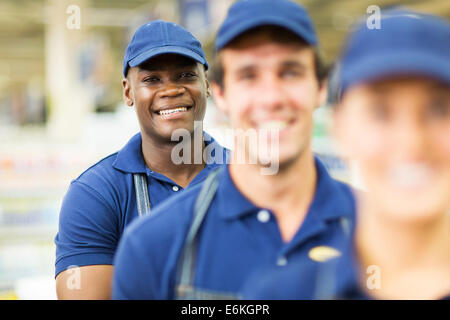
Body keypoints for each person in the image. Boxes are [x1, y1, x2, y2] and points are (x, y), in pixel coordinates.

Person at [112, 0, 356, 300]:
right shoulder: (153, 248)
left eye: (290, 72)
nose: (271, 98)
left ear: (321, 86)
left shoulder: (389, 231)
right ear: (221, 94)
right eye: (248, 76)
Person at [242, 9, 450, 300]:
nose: (411, 142)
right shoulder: (279, 294)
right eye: (381, 112)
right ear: (340, 128)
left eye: (439, 109)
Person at [54, 20, 228, 299]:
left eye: (185, 75)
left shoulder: (249, 178)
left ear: (206, 84)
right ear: (128, 92)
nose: (171, 90)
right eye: (152, 79)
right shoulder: (96, 194)